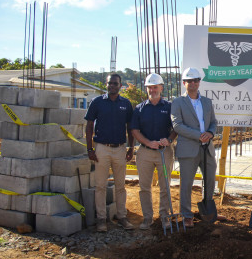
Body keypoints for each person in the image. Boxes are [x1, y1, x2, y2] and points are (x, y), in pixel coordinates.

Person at [85, 73, 134, 232]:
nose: (112, 86)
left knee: (120, 186)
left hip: (120, 149)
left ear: (120, 85)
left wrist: (131, 148)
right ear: (106, 85)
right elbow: (89, 126)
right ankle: (101, 219)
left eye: (115, 83)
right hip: (101, 149)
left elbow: (130, 128)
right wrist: (90, 149)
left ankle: (122, 217)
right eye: (110, 83)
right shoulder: (97, 102)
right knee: (100, 186)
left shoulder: (126, 104)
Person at [171, 67, 219, 228]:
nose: (193, 83)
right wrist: (199, 134)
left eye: (196, 80)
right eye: (189, 81)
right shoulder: (177, 102)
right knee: (186, 184)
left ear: (199, 82)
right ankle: (186, 214)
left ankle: (207, 210)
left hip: (207, 148)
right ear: (184, 83)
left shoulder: (207, 102)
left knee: (210, 180)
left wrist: (210, 133)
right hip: (188, 149)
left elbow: (213, 122)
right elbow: (177, 125)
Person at [130, 73, 176, 230]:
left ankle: (164, 217)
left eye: (155, 87)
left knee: (165, 186)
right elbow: (134, 130)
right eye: (150, 87)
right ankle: (147, 218)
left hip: (165, 152)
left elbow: (176, 128)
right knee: (144, 187)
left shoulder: (169, 107)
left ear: (161, 88)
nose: (152, 90)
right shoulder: (139, 109)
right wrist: (148, 142)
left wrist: (169, 140)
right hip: (145, 153)